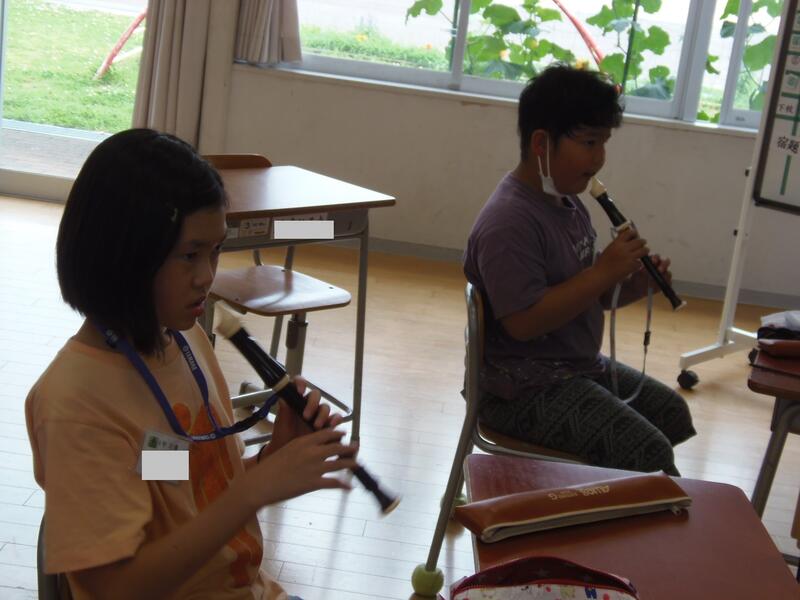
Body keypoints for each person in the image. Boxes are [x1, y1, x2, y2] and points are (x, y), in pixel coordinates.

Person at [25, 128, 357, 600]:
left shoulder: (183, 340)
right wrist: (254, 491)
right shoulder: (75, 405)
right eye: (190, 255)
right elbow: (114, 589)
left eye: (216, 250)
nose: (207, 276)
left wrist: (270, 461)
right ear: (125, 254)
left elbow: (178, 485)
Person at [463, 65, 695, 475]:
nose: (599, 157)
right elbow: (523, 323)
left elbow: (589, 296)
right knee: (648, 452)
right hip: (519, 388)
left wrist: (633, 283)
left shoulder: (568, 204)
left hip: (572, 366)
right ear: (541, 143)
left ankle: (603, 492)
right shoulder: (509, 223)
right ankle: (627, 502)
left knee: (672, 412)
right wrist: (603, 271)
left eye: (604, 143)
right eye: (589, 142)